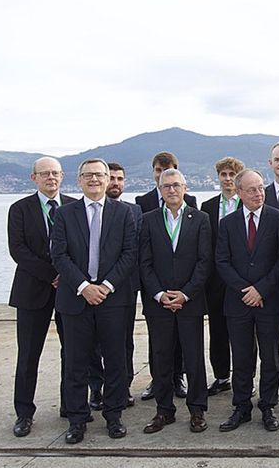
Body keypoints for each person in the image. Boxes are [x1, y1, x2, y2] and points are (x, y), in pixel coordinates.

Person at [50, 158, 139, 444]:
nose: (94, 180)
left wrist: (106, 286)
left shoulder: (125, 213)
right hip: (75, 300)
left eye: (99, 175)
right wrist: (84, 286)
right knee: (76, 364)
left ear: (107, 179)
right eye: (88, 175)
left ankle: (114, 416)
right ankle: (77, 420)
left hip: (114, 300)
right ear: (79, 180)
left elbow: (129, 254)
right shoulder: (64, 214)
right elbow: (59, 256)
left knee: (115, 362)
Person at [138, 169, 211, 434]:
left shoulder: (200, 219)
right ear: (159, 189)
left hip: (189, 302)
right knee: (161, 358)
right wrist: (160, 294)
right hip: (158, 303)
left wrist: (185, 293)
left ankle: (197, 410)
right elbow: (143, 263)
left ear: (185, 187)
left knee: (193, 357)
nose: (171, 190)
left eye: (176, 185)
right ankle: (164, 410)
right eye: (166, 186)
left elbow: (205, 262)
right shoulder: (147, 220)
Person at [8, 157, 76, 437]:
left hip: (69, 290)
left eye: (56, 173)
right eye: (45, 174)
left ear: (62, 177)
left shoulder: (74, 206)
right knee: (28, 355)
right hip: (32, 290)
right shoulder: (19, 209)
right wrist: (52, 274)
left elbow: (81, 246)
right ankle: (24, 413)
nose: (51, 178)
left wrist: (67, 276)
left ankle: (69, 405)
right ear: (33, 178)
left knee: (72, 352)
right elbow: (18, 250)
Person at [215, 169, 279, 433]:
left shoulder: (277, 219)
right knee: (242, 357)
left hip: (269, 301)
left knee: (270, 357)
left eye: (260, 188)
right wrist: (245, 289)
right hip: (238, 302)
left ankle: (268, 405)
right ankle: (241, 406)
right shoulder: (227, 223)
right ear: (239, 192)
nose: (258, 193)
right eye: (252, 189)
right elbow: (221, 260)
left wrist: (261, 289)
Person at [136, 151, 197, 401]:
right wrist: (158, 292)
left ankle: (178, 377)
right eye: (159, 171)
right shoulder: (143, 201)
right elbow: (144, 253)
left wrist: (185, 291)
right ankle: (158, 380)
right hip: (157, 289)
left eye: (169, 170)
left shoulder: (191, 202)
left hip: (183, 288)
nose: (167, 183)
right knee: (158, 343)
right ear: (154, 174)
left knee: (184, 343)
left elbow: (193, 248)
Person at [88, 163, 143, 412]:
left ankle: (123, 387)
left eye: (120, 179)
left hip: (124, 288)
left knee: (123, 342)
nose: (116, 183)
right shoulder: (80, 212)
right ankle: (96, 388)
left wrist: (112, 283)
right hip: (90, 289)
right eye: (111, 178)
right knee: (93, 344)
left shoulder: (134, 210)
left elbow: (135, 251)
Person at [200, 157, 245, 396]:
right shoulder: (207, 206)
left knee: (243, 332)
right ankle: (221, 376)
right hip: (215, 280)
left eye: (232, 175)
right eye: (224, 175)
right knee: (217, 330)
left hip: (242, 278)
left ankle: (244, 376)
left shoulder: (248, 203)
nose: (228, 179)